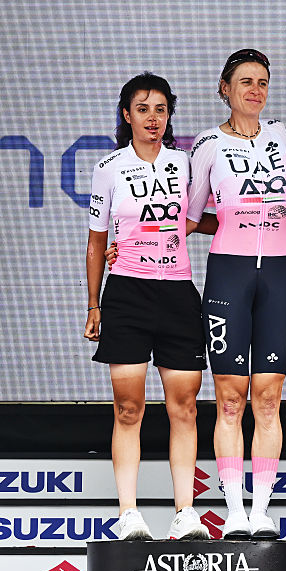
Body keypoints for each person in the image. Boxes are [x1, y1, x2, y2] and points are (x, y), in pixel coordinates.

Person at [84, 73, 210, 541]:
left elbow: (205, 219)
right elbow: (98, 241)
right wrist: (92, 305)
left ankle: (185, 512)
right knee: (128, 408)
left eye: (160, 109)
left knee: (185, 408)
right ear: (126, 115)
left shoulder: (187, 163)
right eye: (143, 108)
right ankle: (129, 513)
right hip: (127, 296)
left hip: (178, 293)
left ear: (168, 116)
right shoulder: (108, 167)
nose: (152, 118)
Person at [187, 49, 286, 538]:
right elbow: (189, 217)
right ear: (225, 88)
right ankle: (233, 511)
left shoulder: (282, 135)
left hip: (279, 271)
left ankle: (260, 511)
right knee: (230, 399)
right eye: (245, 82)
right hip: (229, 272)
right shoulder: (208, 144)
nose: (255, 90)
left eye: (262, 82)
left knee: (269, 398)